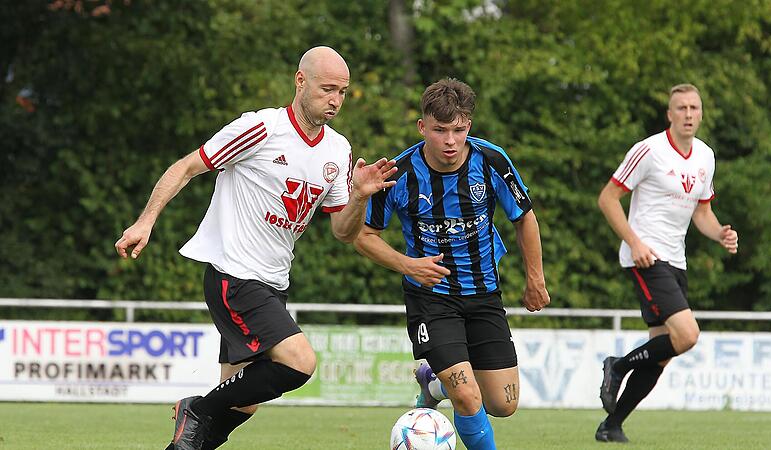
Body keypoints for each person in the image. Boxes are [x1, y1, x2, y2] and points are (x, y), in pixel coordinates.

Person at [114, 46, 397, 450]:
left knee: (242, 403)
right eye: (327, 89)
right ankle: (197, 409)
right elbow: (188, 166)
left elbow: (343, 231)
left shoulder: (338, 150)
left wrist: (359, 197)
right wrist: (146, 221)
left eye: (342, 92)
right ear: (300, 81)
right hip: (234, 275)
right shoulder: (262, 128)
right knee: (300, 362)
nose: (335, 100)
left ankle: (188, 438)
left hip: (272, 282)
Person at [353, 78, 550, 450]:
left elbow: (524, 217)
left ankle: (434, 384)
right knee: (467, 396)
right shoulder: (399, 173)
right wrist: (409, 266)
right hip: (431, 299)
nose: (450, 140)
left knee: (503, 404)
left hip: (484, 294)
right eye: (439, 130)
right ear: (422, 126)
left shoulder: (492, 161)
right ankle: (451, 389)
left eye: (458, 130)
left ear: (468, 126)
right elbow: (363, 235)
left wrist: (535, 278)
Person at [595, 83, 738, 443]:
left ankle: (611, 426)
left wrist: (720, 233)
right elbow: (608, 198)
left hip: (677, 260)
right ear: (670, 114)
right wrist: (634, 243)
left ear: (701, 113)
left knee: (661, 353)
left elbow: (702, 213)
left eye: (694, 108)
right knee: (687, 335)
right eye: (681, 108)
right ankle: (618, 366)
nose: (688, 114)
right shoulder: (649, 150)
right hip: (646, 257)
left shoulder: (705, 156)